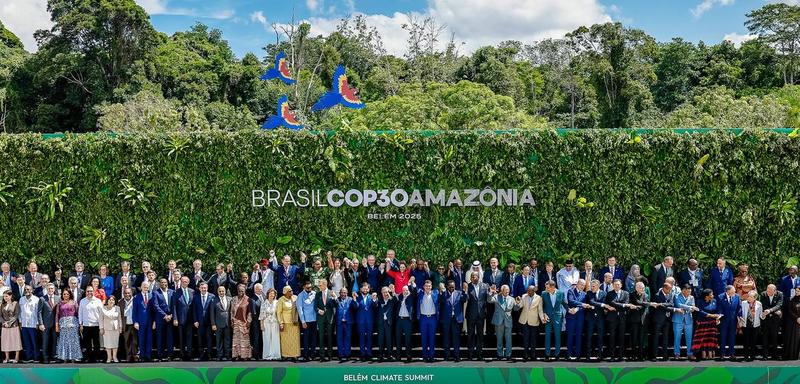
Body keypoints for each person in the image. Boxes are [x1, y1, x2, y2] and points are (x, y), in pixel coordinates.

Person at [488, 284, 516, 361]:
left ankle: (508, 354)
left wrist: (519, 303)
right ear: (502, 291)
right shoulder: (496, 297)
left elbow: (516, 308)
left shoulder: (512, 299)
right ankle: (499, 354)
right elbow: (489, 300)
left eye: (508, 291)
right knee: (499, 339)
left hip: (508, 321)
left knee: (508, 339)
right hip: (498, 321)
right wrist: (491, 293)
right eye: (506, 291)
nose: (507, 293)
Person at [604, 280, 630, 361]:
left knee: (621, 337)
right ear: (613, 285)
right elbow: (610, 303)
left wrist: (617, 304)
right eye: (615, 285)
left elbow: (626, 305)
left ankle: (621, 356)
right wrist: (622, 304)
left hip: (622, 318)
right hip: (612, 318)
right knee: (612, 337)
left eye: (618, 284)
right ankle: (612, 356)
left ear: (621, 285)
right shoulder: (609, 294)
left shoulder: (626, 293)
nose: (617, 286)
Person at [692, 289, 721, 360]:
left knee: (710, 338)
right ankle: (703, 354)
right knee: (703, 339)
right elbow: (700, 311)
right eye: (711, 294)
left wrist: (718, 317)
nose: (713, 295)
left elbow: (718, 310)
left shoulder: (714, 301)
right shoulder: (700, 301)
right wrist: (710, 315)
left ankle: (710, 353)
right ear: (706, 296)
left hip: (712, 324)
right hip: (702, 323)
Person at [465, 271, 488, 361]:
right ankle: (470, 353)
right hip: (471, 315)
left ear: (479, 277)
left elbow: (488, 299)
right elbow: (465, 299)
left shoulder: (485, 286)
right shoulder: (468, 286)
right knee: (470, 335)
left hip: (481, 315)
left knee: (480, 335)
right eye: (473, 276)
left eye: (476, 276)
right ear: (470, 278)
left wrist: (491, 293)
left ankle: (479, 353)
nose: (474, 278)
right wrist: (465, 291)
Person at [440, 281, 465, 361]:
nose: (452, 288)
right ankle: (447, 355)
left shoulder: (459, 293)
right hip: (446, 319)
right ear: (447, 287)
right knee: (446, 338)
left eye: (453, 287)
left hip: (456, 319)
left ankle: (456, 355)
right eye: (450, 287)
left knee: (456, 338)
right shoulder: (444, 294)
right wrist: (443, 292)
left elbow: (464, 299)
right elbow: (441, 301)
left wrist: (465, 291)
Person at [565, 279, 591, 360]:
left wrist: (577, 309)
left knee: (578, 336)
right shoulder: (571, 291)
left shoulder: (585, 294)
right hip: (571, 317)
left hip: (580, 317)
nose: (582, 287)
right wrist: (582, 304)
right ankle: (569, 354)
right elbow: (571, 301)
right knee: (570, 336)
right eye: (581, 284)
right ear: (577, 284)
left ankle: (578, 355)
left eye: (584, 285)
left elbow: (586, 307)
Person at [517, 284, 543, 361]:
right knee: (525, 339)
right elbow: (520, 305)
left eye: (529, 290)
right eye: (527, 290)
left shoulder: (539, 298)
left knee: (533, 339)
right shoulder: (524, 296)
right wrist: (518, 302)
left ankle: (533, 355)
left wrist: (542, 319)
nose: (528, 292)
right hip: (525, 320)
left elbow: (540, 310)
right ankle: (525, 355)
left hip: (534, 321)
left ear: (533, 290)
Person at [416, 279, 440, 363]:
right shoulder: (420, 293)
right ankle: (425, 356)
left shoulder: (435, 293)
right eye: (426, 286)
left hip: (432, 318)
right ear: (423, 287)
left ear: (431, 286)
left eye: (429, 286)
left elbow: (443, 295)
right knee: (424, 338)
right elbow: (413, 288)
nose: (428, 287)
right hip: (423, 318)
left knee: (432, 338)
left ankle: (432, 356)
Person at [541, 280, 566, 361]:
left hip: (557, 317)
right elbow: (542, 306)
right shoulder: (544, 293)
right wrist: (544, 314)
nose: (546, 289)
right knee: (547, 336)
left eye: (547, 287)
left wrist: (569, 310)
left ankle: (557, 355)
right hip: (547, 317)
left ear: (553, 287)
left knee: (557, 336)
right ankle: (547, 355)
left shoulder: (561, 293)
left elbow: (564, 303)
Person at [650, 282, 675, 361]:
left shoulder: (670, 294)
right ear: (664, 288)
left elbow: (671, 304)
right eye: (669, 289)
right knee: (656, 337)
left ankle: (665, 355)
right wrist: (664, 304)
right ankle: (654, 356)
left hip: (667, 319)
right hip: (658, 319)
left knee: (665, 338)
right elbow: (660, 306)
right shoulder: (657, 295)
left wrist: (663, 304)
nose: (670, 291)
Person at [673, 284, 698, 360]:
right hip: (678, 320)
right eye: (688, 291)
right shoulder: (676, 296)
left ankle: (690, 354)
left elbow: (693, 308)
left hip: (688, 320)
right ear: (683, 290)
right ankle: (676, 353)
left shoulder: (692, 297)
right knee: (677, 337)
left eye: (690, 291)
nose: (689, 293)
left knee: (689, 338)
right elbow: (678, 305)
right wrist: (690, 307)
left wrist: (690, 308)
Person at [171, 276, 194, 361]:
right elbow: (174, 306)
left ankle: (189, 354)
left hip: (190, 319)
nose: (184, 283)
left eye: (186, 281)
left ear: (188, 282)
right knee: (181, 338)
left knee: (189, 337)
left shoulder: (192, 291)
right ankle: (182, 354)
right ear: (180, 282)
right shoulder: (176, 292)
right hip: (180, 318)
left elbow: (194, 306)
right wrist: (175, 318)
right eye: (183, 281)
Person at [79, 285, 103, 363]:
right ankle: (88, 358)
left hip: (96, 325)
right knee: (87, 343)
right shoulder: (82, 301)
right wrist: (81, 324)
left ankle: (96, 358)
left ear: (94, 292)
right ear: (86, 292)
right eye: (88, 291)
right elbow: (80, 313)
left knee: (96, 343)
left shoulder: (98, 301)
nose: (89, 292)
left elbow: (101, 314)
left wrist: (101, 325)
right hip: (86, 325)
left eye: (91, 291)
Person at [152, 277, 174, 362]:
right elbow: (156, 306)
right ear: (159, 284)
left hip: (170, 318)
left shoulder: (172, 292)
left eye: (165, 282)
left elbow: (174, 305)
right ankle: (160, 355)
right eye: (162, 282)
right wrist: (165, 316)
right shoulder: (155, 293)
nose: (164, 284)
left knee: (170, 337)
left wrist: (171, 315)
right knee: (160, 337)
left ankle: (170, 355)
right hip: (160, 319)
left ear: (167, 283)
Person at [19, 285, 42, 362]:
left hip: (33, 324)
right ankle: (29, 357)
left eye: (28, 289)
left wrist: (38, 323)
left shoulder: (36, 299)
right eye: (25, 289)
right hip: (24, 324)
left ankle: (36, 357)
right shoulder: (21, 299)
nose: (26, 291)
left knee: (34, 342)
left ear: (32, 290)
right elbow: (20, 312)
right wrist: (20, 322)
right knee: (26, 342)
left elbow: (38, 312)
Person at [276, 286, 300, 360]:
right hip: (285, 322)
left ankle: (295, 355)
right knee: (285, 340)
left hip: (294, 321)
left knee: (295, 339)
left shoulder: (295, 298)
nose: (291, 292)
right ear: (285, 292)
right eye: (289, 291)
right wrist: (281, 323)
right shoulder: (281, 300)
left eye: (291, 290)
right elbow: (278, 312)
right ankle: (286, 355)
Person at [354, 282, 376, 361]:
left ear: (369, 289)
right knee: (362, 337)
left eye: (367, 288)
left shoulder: (372, 297)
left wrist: (374, 300)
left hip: (370, 320)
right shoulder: (357, 297)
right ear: (360, 289)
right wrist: (354, 298)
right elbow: (355, 307)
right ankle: (362, 353)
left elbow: (375, 306)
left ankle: (369, 353)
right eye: (364, 288)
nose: (365, 290)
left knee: (369, 337)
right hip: (360, 321)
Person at [132, 281, 154, 362]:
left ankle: (148, 356)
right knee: (141, 339)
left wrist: (154, 321)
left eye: (147, 287)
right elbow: (134, 311)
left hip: (150, 322)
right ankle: (142, 356)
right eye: (144, 287)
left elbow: (153, 310)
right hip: (140, 322)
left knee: (149, 339)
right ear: (141, 287)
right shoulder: (136, 297)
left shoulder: (151, 296)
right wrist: (135, 322)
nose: (146, 288)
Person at [760, 284, 783, 360]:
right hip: (766, 320)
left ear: (775, 291)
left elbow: (779, 305)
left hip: (775, 320)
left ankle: (775, 355)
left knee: (774, 338)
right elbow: (763, 305)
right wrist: (769, 311)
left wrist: (770, 310)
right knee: (765, 338)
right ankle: (765, 356)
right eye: (767, 291)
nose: (768, 293)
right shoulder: (763, 294)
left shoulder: (780, 294)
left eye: (770, 291)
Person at [314, 280, 336, 361]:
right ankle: (322, 356)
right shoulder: (318, 294)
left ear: (325, 285)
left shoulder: (331, 292)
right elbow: (315, 306)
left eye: (320, 285)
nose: (319, 287)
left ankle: (330, 355)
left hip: (329, 318)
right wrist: (318, 310)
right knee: (321, 337)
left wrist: (334, 297)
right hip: (321, 318)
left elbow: (336, 304)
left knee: (330, 337)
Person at [585, 279, 606, 360]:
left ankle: (600, 354)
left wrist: (602, 306)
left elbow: (604, 304)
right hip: (590, 318)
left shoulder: (604, 293)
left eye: (593, 286)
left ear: (598, 286)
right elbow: (591, 301)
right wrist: (602, 305)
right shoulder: (589, 293)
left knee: (600, 336)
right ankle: (588, 355)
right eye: (591, 286)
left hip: (600, 318)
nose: (592, 288)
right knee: (589, 336)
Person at [192, 282, 214, 361]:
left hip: (209, 322)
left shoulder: (212, 296)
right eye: (202, 288)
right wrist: (195, 321)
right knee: (200, 339)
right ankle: (201, 354)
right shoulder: (195, 297)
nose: (203, 289)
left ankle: (209, 355)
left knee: (209, 339)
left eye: (205, 288)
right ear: (199, 289)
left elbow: (213, 311)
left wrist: (213, 322)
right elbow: (194, 310)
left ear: (207, 288)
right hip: (199, 322)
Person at [718, 285, 741, 360]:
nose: (734, 293)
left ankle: (732, 354)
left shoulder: (737, 296)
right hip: (724, 320)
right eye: (733, 292)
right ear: (728, 291)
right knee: (723, 337)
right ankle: (722, 354)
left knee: (732, 337)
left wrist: (739, 316)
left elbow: (739, 308)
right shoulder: (720, 297)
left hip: (733, 320)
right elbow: (719, 308)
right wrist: (719, 316)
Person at [296, 282, 318, 361]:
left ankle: (313, 354)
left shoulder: (314, 293)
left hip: (314, 319)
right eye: (308, 288)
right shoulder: (300, 295)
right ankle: (306, 355)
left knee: (314, 338)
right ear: (304, 287)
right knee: (306, 338)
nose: (309, 289)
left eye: (310, 287)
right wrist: (303, 321)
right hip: (306, 321)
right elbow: (300, 309)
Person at [627, 282, 648, 361]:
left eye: (643, 288)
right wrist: (641, 305)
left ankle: (641, 356)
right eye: (641, 288)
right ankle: (633, 355)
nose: (642, 289)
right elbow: (636, 302)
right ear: (636, 288)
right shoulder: (631, 295)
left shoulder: (645, 295)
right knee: (634, 338)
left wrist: (637, 307)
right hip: (634, 320)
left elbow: (645, 306)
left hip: (642, 320)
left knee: (641, 339)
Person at [739, 290, 762, 361]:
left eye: (751, 297)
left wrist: (764, 315)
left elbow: (761, 315)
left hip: (755, 325)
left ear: (755, 298)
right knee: (746, 341)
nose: (749, 298)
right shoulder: (743, 303)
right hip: (746, 324)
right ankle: (746, 355)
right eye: (748, 296)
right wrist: (740, 318)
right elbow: (739, 313)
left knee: (753, 341)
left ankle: (752, 356)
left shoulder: (759, 304)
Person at [334, 287, 356, 361]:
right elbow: (331, 304)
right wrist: (334, 297)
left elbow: (356, 306)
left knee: (348, 338)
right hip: (339, 322)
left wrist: (354, 299)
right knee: (339, 339)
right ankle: (340, 354)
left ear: (347, 293)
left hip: (348, 322)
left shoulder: (350, 299)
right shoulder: (336, 299)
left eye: (345, 292)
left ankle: (347, 354)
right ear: (340, 293)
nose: (343, 294)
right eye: (342, 292)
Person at [231, 284, 252, 361]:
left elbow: (250, 312)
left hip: (244, 323)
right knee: (236, 340)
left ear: (245, 291)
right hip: (236, 322)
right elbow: (232, 311)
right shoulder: (234, 299)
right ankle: (237, 355)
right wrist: (232, 320)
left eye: (242, 291)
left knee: (244, 340)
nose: (241, 292)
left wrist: (249, 321)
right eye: (239, 290)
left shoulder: (248, 299)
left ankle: (245, 356)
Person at [40, 283, 60, 364]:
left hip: (55, 324)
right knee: (45, 342)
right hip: (45, 324)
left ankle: (54, 357)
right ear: (46, 289)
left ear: (54, 289)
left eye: (52, 288)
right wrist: (41, 324)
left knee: (55, 341)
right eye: (49, 289)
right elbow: (39, 312)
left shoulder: (58, 298)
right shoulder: (42, 299)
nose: (50, 290)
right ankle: (45, 358)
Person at [375, 286, 396, 361]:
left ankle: (390, 355)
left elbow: (396, 300)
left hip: (388, 323)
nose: (385, 293)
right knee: (381, 339)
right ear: (381, 293)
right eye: (384, 292)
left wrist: (393, 292)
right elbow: (374, 306)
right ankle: (381, 355)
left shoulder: (391, 300)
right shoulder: (379, 300)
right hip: (381, 323)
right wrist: (374, 299)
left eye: (386, 292)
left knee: (389, 339)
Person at [395, 284, 415, 362]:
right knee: (398, 339)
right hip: (399, 320)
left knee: (408, 340)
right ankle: (398, 356)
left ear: (408, 290)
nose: (405, 291)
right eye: (403, 290)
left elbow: (415, 291)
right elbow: (394, 296)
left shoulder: (411, 297)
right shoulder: (399, 296)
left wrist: (412, 285)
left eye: (406, 290)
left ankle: (408, 356)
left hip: (407, 320)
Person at [260, 288, 281, 360]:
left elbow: (279, 313)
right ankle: (267, 355)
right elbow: (261, 315)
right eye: (270, 293)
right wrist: (261, 325)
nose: (272, 295)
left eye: (273, 294)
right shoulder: (264, 303)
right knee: (267, 338)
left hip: (275, 322)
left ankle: (275, 354)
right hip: (266, 323)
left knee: (275, 338)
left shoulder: (277, 302)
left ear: (275, 295)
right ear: (268, 294)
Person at [211, 286, 231, 361]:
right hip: (218, 324)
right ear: (217, 292)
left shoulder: (230, 299)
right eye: (220, 291)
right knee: (218, 341)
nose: (221, 292)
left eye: (223, 291)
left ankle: (227, 355)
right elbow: (212, 313)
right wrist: (213, 324)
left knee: (227, 340)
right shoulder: (214, 300)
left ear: (225, 291)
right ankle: (219, 355)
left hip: (227, 324)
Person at [1, 290, 21, 363]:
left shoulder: (15, 303)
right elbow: (0, 316)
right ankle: (7, 358)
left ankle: (16, 358)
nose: (5, 298)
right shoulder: (2, 305)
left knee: (16, 341)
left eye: (6, 296)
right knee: (5, 342)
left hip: (14, 326)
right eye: (4, 296)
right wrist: (4, 323)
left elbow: (16, 315)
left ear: (10, 296)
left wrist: (9, 323)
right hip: (4, 327)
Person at [100, 295, 121, 363]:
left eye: (113, 300)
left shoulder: (117, 308)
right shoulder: (103, 308)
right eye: (110, 300)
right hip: (106, 329)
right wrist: (101, 328)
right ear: (107, 301)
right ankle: (109, 357)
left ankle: (115, 357)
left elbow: (119, 318)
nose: (111, 301)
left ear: (115, 301)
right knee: (108, 343)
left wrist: (120, 327)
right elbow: (100, 319)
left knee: (115, 343)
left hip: (115, 328)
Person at [119, 287, 138, 362]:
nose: (127, 294)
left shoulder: (136, 300)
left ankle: (135, 355)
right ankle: (128, 356)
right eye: (126, 293)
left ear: (131, 293)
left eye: (128, 293)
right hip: (125, 324)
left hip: (134, 324)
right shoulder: (120, 302)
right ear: (123, 294)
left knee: (135, 341)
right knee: (127, 341)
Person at [785, 286, 800, 360]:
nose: (797, 292)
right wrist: (797, 318)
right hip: (793, 322)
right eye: (796, 291)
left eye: (798, 291)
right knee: (793, 339)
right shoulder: (792, 300)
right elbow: (789, 310)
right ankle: (792, 355)